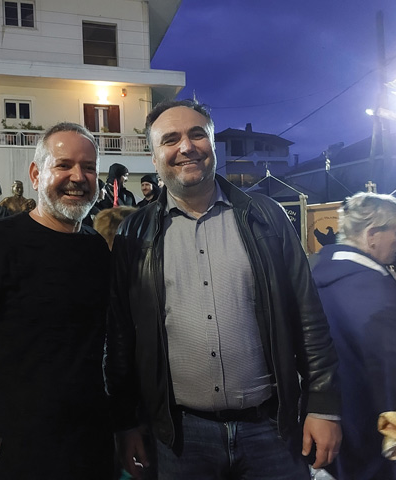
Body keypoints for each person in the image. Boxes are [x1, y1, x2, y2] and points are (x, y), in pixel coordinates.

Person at [103, 99, 342, 480]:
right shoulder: (135, 234)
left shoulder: (267, 217)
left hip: (271, 430)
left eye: (197, 134)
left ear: (213, 145)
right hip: (181, 438)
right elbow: (121, 337)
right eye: (170, 139)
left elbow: (308, 317)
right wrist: (126, 422)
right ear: (154, 157)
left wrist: (323, 406)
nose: (186, 147)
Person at [0, 122, 114, 480]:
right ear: (36, 174)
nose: (78, 177)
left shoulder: (96, 249)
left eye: (89, 167)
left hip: (87, 446)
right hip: (11, 449)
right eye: (64, 165)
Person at [312, 192, 396, 479]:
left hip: (344, 420)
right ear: (371, 235)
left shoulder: (323, 269)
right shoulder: (370, 287)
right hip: (379, 428)